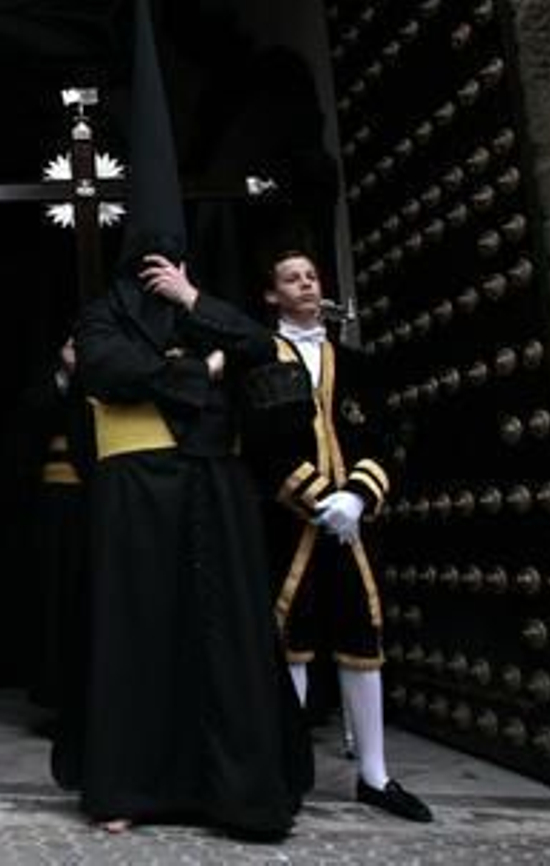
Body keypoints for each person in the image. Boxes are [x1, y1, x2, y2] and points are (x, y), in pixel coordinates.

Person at [76, 233, 310, 839]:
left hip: (214, 487)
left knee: (223, 633)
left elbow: (261, 346)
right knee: (140, 635)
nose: (160, 269)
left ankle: (235, 794)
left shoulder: (207, 308)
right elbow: (108, 369)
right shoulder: (104, 314)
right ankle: (129, 787)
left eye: (173, 259)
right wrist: (199, 372)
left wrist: (192, 299)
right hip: (137, 494)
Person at [253, 251, 432, 823]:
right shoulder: (260, 357)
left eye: (311, 276)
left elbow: (384, 435)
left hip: (353, 524)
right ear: (272, 295)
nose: (306, 285)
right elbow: (259, 442)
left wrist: (357, 496)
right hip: (289, 523)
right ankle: (287, 771)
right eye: (292, 278)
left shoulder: (356, 364)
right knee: (292, 638)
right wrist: (314, 498)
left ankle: (374, 776)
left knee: (362, 638)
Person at [11, 335, 93, 788]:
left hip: (104, 500)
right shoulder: (51, 382)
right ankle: (59, 703)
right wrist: (65, 375)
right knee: (56, 601)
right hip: (59, 502)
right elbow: (30, 421)